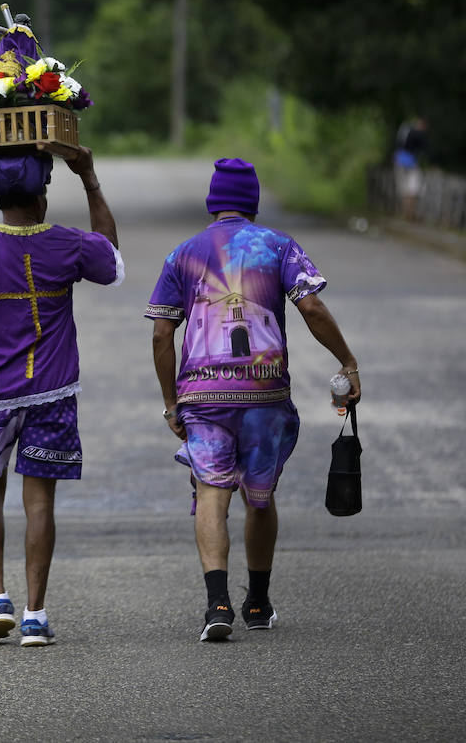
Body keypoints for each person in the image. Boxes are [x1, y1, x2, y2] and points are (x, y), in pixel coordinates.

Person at [145, 158, 361, 642]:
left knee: (210, 492)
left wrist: (171, 401)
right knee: (259, 499)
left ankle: (218, 604)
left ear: (212, 202)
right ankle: (258, 603)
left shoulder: (183, 253)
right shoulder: (278, 246)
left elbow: (162, 334)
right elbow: (312, 306)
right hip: (264, 391)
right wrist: (347, 362)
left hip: (201, 395)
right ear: (253, 203)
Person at [0, 146, 123, 646]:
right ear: (42, 196)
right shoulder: (67, 244)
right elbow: (111, 260)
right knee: (39, 504)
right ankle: (34, 614)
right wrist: (90, 178)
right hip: (52, 394)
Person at [393, 116, 429, 218]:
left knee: (405, 189)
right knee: (412, 189)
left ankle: (406, 212)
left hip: (399, 160)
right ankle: (409, 213)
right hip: (410, 164)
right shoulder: (419, 134)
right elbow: (424, 150)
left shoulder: (405, 130)